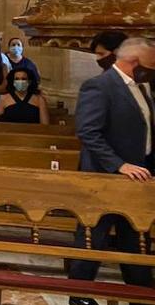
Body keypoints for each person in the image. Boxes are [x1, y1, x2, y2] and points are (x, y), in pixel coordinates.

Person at [67, 38, 155, 302]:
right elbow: (88, 132)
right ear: (135, 63)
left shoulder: (141, 87)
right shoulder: (100, 86)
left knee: (136, 237)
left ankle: (139, 294)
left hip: (138, 177)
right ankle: (79, 294)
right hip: (103, 179)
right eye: (151, 65)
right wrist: (119, 164)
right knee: (93, 236)